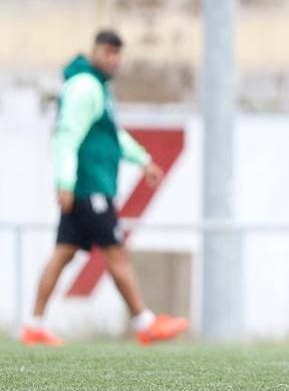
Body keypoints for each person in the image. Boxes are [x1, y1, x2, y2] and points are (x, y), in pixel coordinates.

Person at [20, 30, 189, 346]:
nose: (114, 59)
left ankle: (33, 325)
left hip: (87, 185)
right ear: (94, 51)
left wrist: (143, 159)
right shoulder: (85, 87)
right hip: (88, 186)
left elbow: (113, 135)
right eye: (109, 52)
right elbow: (66, 135)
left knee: (63, 253)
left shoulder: (96, 88)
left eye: (118, 54)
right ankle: (144, 322)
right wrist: (65, 181)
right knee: (115, 252)